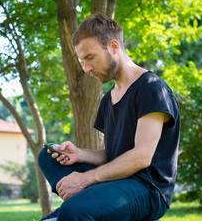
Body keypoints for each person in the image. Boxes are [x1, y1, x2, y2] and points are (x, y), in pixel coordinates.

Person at [38, 12, 180, 221]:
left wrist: (85, 179)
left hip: (147, 188)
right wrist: (80, 155)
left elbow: (141, 156)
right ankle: (82, 207)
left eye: (90, 58)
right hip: (116, 181)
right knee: (47, 156)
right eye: (82, 61)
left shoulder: (151, 88)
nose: (86, 69)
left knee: (73, 211)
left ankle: (73, 211)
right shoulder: (108, 99)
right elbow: (114, 153)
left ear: (113, 47)